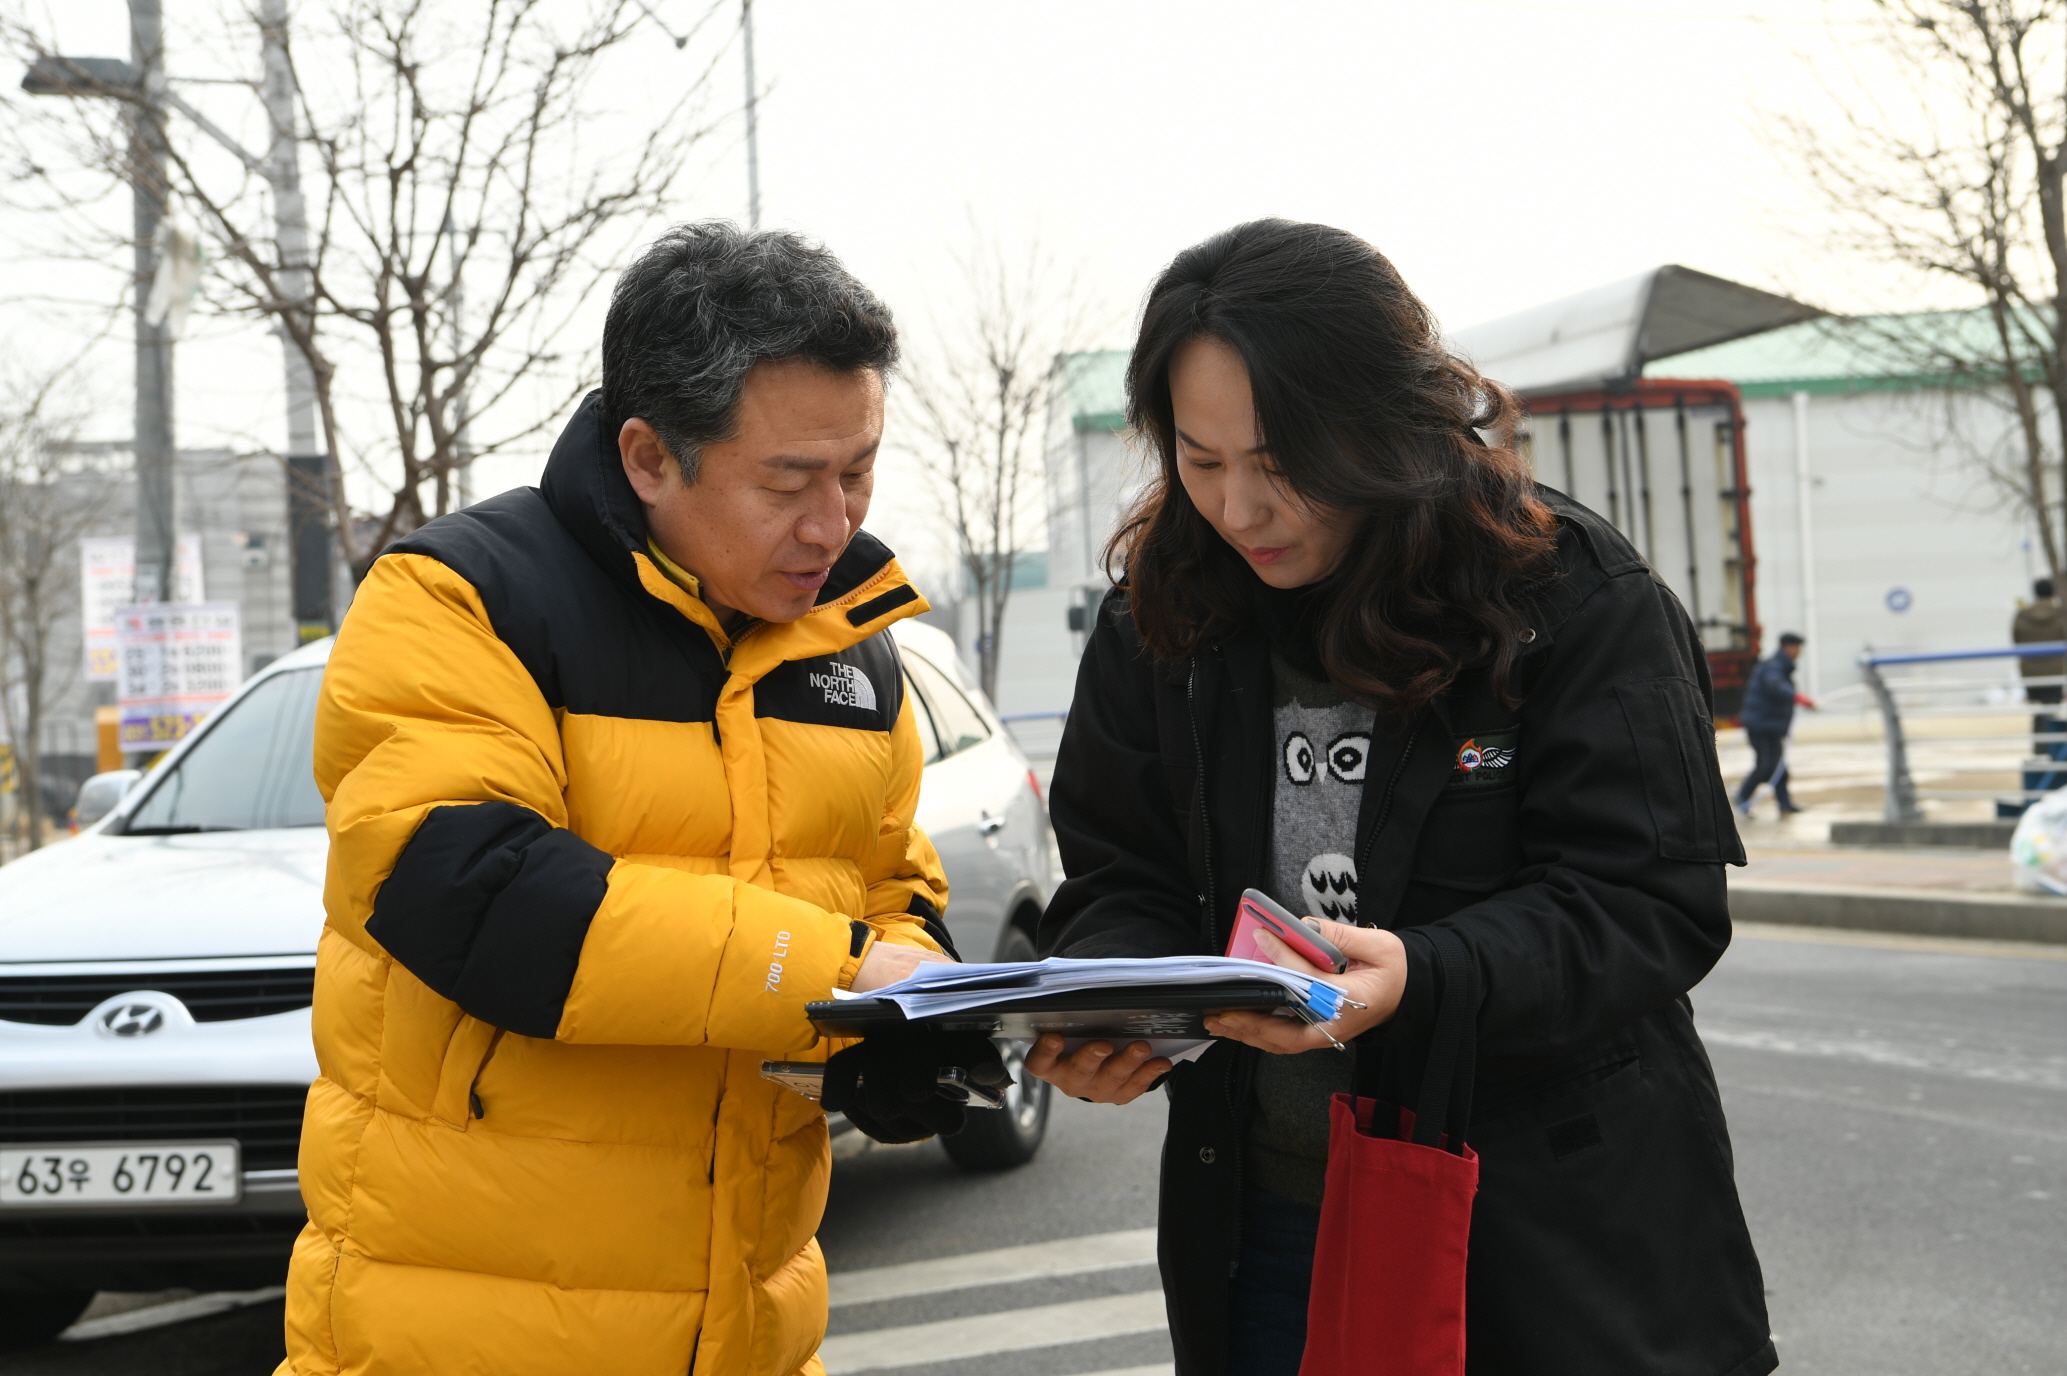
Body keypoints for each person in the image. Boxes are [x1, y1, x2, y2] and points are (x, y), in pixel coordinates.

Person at [1026, 220, 1773, 1376]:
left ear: (1388, 424)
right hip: (1270, 1228)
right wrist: (1118, 1000)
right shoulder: (1158, 615)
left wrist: (1427, 974)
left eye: (1281, 461)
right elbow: (1123, 870)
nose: (1239, 509)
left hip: (1549, 1231)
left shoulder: (1567, 596)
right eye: (1202, 458)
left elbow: (1648, 904)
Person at [279, 223, 992, 1376]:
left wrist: (912, 1014)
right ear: (650, 456)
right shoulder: (461, 598)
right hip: (465, 1331)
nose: (835, 522)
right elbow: (476, 893)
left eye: (858, 467)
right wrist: (830, 971)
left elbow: (886, 886)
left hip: (751, 1327)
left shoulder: (853, 645)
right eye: (790, 481)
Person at [1735, 632, 1816, 819]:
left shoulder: (1779, 665)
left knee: (1779, 767)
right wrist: (1797, 697)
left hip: (1769, 725)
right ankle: (1742, 798)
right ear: (1787, 647)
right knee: (1765, 766)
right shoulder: (1774, 666)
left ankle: (1785, 804)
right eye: (1796, 647)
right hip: (1761, 725)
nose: (1798, 652)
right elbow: (1776, 685)